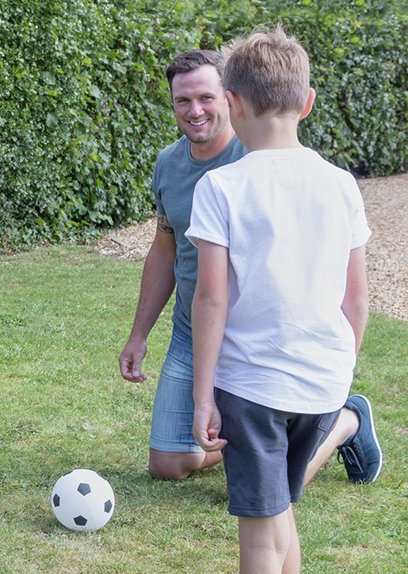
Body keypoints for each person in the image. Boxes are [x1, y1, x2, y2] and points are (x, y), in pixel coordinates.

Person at [185, 27, 382, 574]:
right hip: (324, 384)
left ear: (233, 103)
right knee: (280, 517)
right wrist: (336, 371)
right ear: (308, 102)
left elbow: (211, 298)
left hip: (253, 389)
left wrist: (202, 395)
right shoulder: (341, 184)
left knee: (257, 541)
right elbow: (357, 299)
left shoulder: (220, 185)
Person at [118, 49, 380, 485]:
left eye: (206, 97)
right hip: (193, 333)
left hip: (260, 339)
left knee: (262, 486)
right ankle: (258, 445)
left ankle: (344, 422)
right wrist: (138, 334)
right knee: (168, 466)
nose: (194, 110)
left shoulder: (261, 158)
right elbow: (165, 249)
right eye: (182, 101)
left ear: (232, 99)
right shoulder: (169, 164)